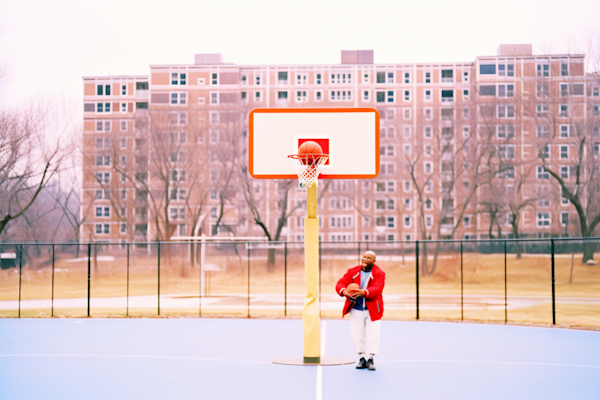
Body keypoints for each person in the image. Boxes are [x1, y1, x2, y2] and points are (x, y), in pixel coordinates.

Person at [335, 250, 385, 371]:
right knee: (357, 334)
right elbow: (340, 283)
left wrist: (363, 292)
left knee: (373, 334)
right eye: (364, 257)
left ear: (374, 261)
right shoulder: (353, 272)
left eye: (369, 258)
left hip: (372, 309)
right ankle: (361, 357)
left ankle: (371, 358)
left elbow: (377, 289)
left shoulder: (379, 273)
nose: (366, 259)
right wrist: (345, 291)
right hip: (356, 308)